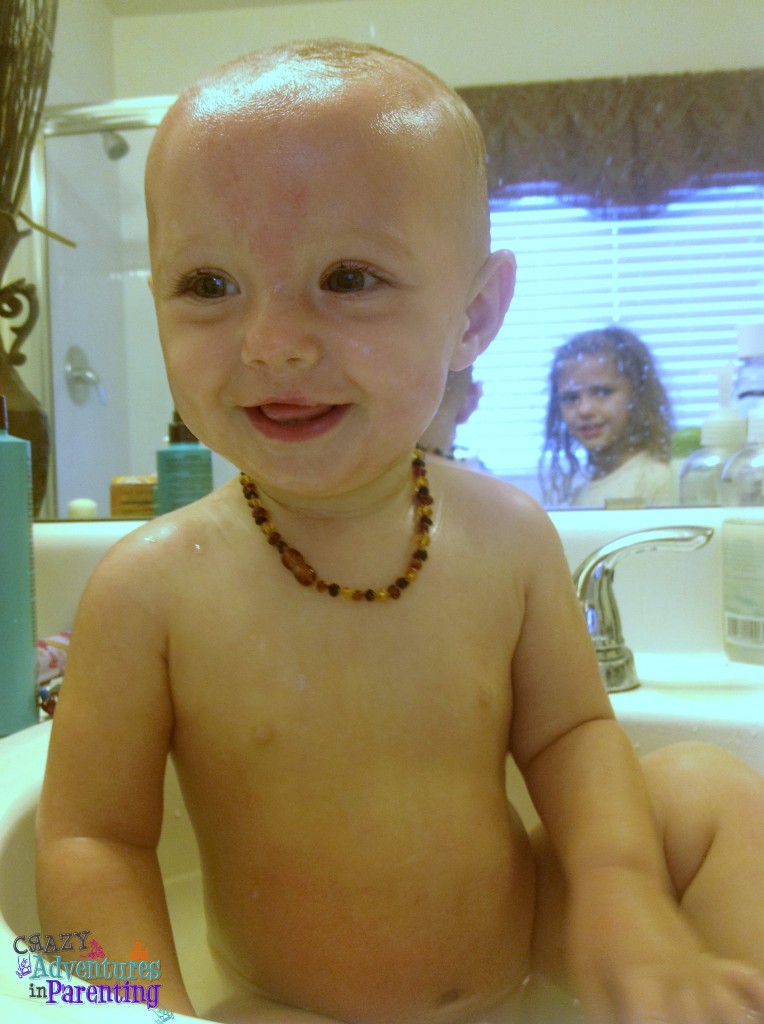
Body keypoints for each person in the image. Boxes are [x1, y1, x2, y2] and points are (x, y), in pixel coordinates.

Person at [36, 39, 764, 1024]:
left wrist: (622, 892)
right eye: (207, 284)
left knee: (712, 793)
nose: (272, 342)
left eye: (346, 276)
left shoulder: (505, 537)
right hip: (279, 1004)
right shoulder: (150, 587)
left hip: (525, 955)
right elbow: (91, 843)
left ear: (473, 313)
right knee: (51, 968)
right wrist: (138, 1010)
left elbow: (570, 736)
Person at [540, 326, 675, 507]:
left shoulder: (657, 478)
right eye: (571, 398)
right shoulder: (581, 491)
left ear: (637, 395)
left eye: (602, 392)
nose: (585, 410)